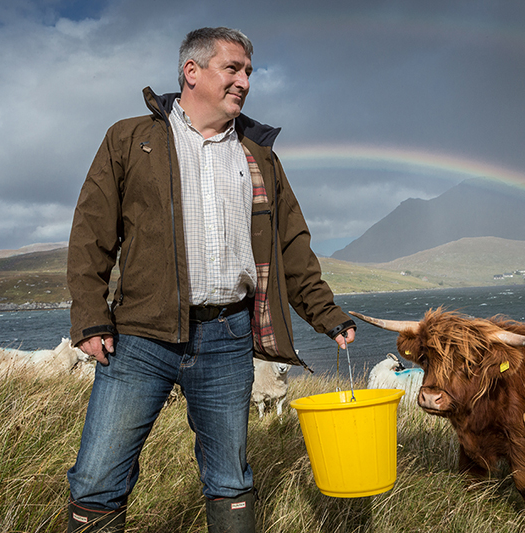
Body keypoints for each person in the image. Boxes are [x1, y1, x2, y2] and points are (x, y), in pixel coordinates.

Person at [65, 27, 356, 533]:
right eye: (233, 68)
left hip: (227, 338)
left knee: (229, 478)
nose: (244, 80)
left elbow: (291, 246)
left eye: (249, 72)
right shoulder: (130, 138)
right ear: (191, 72)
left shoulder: (259, 156)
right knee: (97, 476)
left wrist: (326, 315)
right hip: (139, 337)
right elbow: (91, 233)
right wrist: (92, 318)